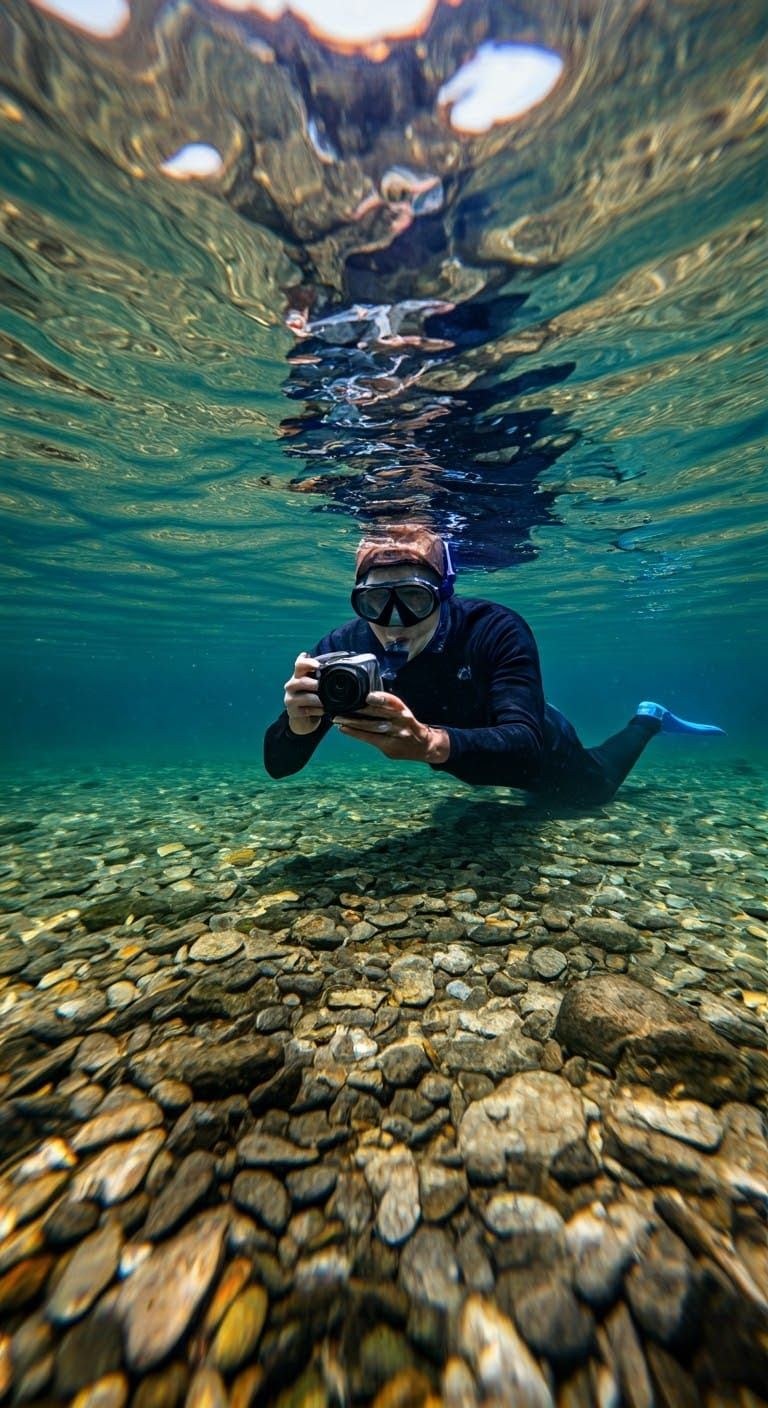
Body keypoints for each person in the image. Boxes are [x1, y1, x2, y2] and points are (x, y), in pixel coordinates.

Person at [263, 525, 724, 805]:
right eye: (376, 602)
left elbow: (525, 744)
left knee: (594, 789)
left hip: (534, 740)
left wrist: (429, 743)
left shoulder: (494, 628)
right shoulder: (343, 647)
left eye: (415, 600)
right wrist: (297, 726)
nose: (394, 623)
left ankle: (648, 718)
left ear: (445, 594)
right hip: (463, 753)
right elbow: (279, 767)